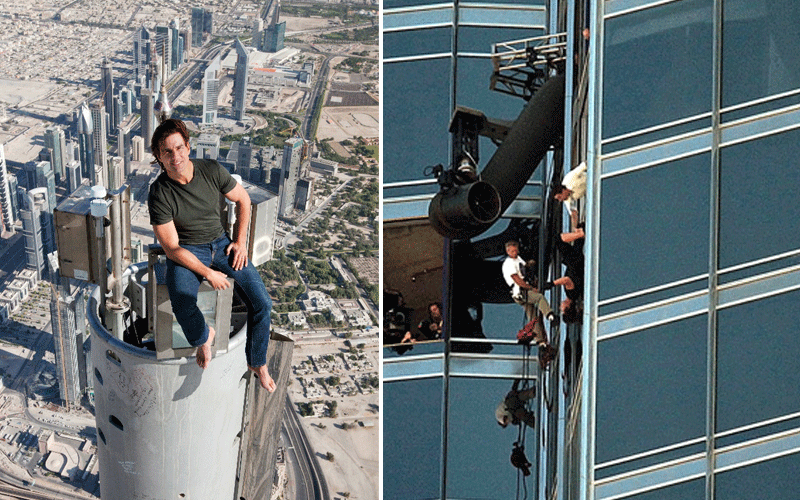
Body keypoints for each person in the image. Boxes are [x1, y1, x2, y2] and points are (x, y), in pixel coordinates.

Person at [148, 118, 276, 391]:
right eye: (167, 152)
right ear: (159, 157)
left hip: (221, 244)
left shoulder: (211, 170)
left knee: (262, 302)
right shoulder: (159, 192)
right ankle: (204, 337)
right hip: (187, 251)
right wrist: (208, 273)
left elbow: (243, 200)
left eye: (179, 148)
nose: (175, 157)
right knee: (182, 301)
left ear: (188, 147)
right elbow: (171, 248)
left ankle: (257, 362)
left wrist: (240, 242)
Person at [502, 240, 558, 330]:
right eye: (512, 251)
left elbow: (525, 270)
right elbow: (517, 280)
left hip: (523, 290)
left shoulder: (518, 259)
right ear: (508, 252)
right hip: (520, 291)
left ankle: (541, 341)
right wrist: (531, 288)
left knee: (532, 316)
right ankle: (550, 316)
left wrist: (529, 264)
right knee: (539, 297)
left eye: (516, 250)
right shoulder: (509, 263)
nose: (514, 253)